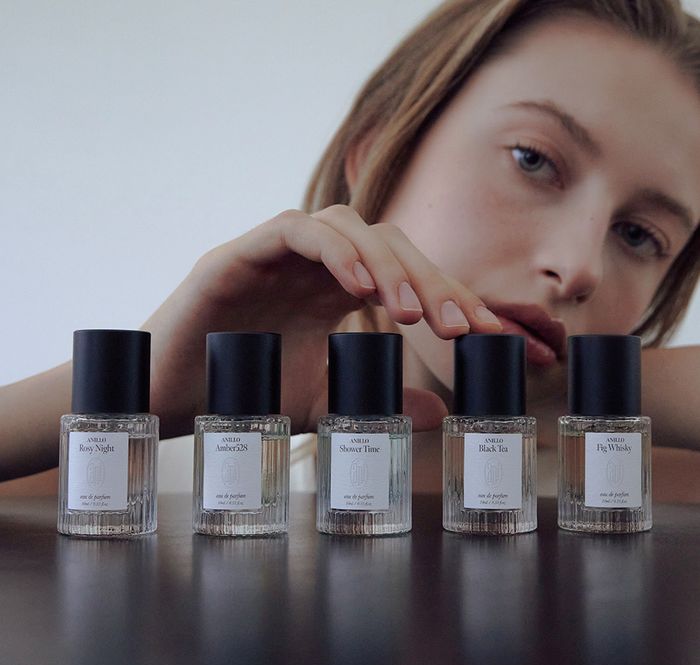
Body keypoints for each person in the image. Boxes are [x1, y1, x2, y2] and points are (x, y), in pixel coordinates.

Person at [2, 0, 700, 499]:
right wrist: (137, 393)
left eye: (640, 235)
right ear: (378, 156)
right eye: (533, 159)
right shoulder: (123, 483)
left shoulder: (665, 501)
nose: (578, 266)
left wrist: (627, 391)